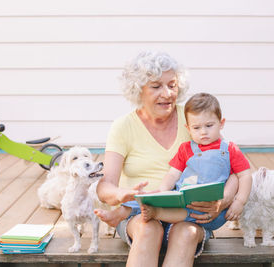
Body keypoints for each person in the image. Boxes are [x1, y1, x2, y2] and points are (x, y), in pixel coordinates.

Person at [95, 51, 240, 267]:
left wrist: (222, 202)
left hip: (189, 216)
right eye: (156, 87)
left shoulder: (194, 119)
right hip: (140, 215)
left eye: (172, 85)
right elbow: (104, 186)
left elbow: (233, 168)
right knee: (148, 228)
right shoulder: (123, 127)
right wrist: (121, 194)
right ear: (138, 89)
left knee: (186, 232)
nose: (167, 93)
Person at [139, 93, 251, 232]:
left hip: (214, 209)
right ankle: (153, 211)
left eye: (209, 125)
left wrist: (239, 201)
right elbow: (173, 174)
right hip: (186, 201)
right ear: (188, 129)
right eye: (196, 128)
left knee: (187, 212)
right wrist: (163, 191)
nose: (203, 132)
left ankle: (158, 214)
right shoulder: (185, 149)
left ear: (221, 124)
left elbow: (245, 175)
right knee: (166, 202)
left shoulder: (229, 149)